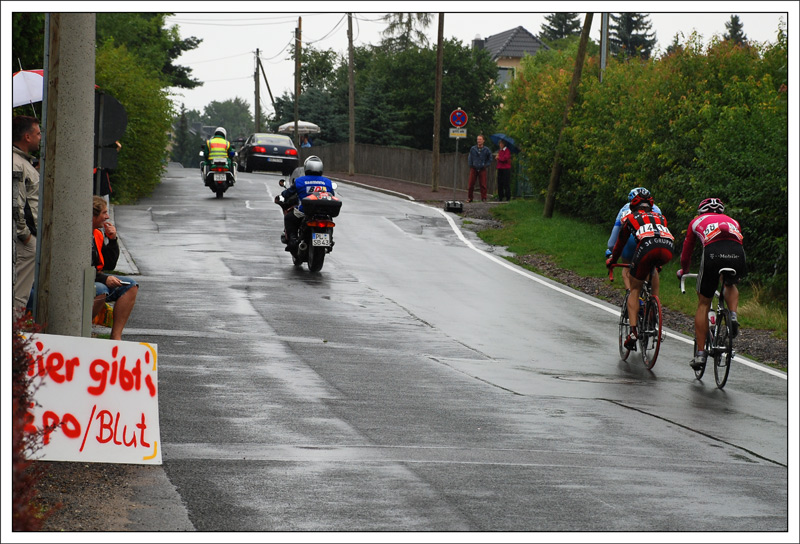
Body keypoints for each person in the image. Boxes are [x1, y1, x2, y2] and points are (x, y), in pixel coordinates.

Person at [676, 198, 747, 370]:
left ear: (701, 211)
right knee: (730, 284)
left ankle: (700, 354)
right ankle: (733, 316)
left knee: (704, 303)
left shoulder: (696, 221)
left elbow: (687, 251)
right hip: (738, 253)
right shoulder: (733, 221)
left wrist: (684, 270)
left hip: (713, 253)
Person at [606, 189, 675, 351]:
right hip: (668, 248)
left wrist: (612, 261)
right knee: (653, 269)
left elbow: (617, 246)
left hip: (644, 247)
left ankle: (633, 332)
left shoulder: (629, 216)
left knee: (635, 288)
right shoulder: (660, 216)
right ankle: (654, 307)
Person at [92, 196, 138, 341]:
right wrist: (105, 279)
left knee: (130, 285)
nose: (107, 216)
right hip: (85, 279)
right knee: (101, 290)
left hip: (97, 276)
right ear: (93, 215)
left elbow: (109, 265)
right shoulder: (80, 235)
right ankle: (82, 330)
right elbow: (84, 269)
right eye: (104, 213)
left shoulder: (97, 233)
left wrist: (112, 240)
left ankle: (116, 336)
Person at [606, 187, 664, 293]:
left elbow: (613, 238)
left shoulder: (625, 208)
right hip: (654, 244)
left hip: (630, 244)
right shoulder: (656, 209)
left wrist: (611, 249)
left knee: (627, 266)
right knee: (652, 269)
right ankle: (654, 299)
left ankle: (630, 293)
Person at [12, 116, 41, 312]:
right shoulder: (16, 164)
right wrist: (25, 235)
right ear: (27, 136)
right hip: (23, 240)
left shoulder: (22, 162)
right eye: (38, 133)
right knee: (17, 295)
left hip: (24, 238)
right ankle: (13, 337)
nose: (41, 137)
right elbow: (16, 204)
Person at [275, 155, 335, 251]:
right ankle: (330, 240)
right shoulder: (327, 182)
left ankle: (293, 240)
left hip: (304, 212)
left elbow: (288, 193)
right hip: (323, 212)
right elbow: (332, 195)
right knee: (329, 220)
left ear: (306, 167)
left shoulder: (300, 181)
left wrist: (282, 195)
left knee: (289, 218)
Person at [467, 134, 492, 203]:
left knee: (483, 184)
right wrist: (471, 165)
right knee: (471, 184)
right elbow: (470, 157)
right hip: (474, 168)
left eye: (480, 139)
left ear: (483, 141)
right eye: (478, 139)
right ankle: (470, 198)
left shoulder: (486, 150)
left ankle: (484, 198)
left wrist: (486, 165)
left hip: (482, 168)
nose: (479, 141)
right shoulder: (473, 149)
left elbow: (490, 158)